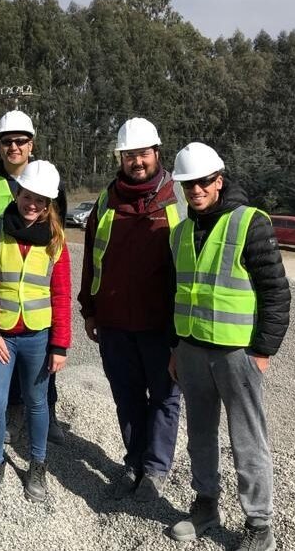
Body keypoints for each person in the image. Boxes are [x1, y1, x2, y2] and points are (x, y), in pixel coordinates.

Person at [166, 142, 290, 551]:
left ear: (219, 181)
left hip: (238, 354)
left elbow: (275, 292)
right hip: (192, 351)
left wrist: (262, 352)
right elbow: (177, 292)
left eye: (203, 182)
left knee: (247, 439)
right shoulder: (181, 232)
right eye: (188, 184)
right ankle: (206, 505)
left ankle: (259, 524)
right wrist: (174, 348)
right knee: (200, 435)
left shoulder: (250, 223)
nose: (196, 190)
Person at [77, 118, 185, 502]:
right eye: (129, 155)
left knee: (164, 397)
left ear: (157, 153)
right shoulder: (107, 200)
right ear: (120, 158)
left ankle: (155, 470)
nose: (137, 161)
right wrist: (89, 309)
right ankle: (135, 462)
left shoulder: (179, 198)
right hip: (115, 323)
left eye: (143, 153)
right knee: (127, 397)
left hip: (163, 326)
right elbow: (92, 256)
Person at [0, 160, 71, 504]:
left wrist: (60, 345)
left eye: (41, 200)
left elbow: (61, 295)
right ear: (17, 192)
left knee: (37, 403)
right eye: (28, 195)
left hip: (39, 338)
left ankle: (37, 465)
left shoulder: (56, 240)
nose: (33, 204)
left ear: (48, 203)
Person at [0, 110, 67, 443]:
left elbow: (57, 232)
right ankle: (11, 414)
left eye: (21, 141)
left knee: (42, 372)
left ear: (31, 144)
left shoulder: (50, 181)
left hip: (37, 289)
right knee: (4, 366)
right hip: (3, 283)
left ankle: (46, 417)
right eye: (8, 141)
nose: (14, 147)